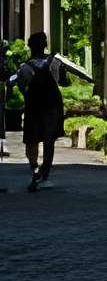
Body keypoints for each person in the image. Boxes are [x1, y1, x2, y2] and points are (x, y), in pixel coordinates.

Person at [16, 31, 64, 190]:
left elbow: (22, 86)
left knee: (32, 138)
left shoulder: (25, 68)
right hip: (52, 106)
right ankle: (46, 170)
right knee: (49, 140)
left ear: (30, 46)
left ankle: (34, 167)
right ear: (45, 46)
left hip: (34, 107)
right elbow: (61, 81)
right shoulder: (54, 63)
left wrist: (28, 95)